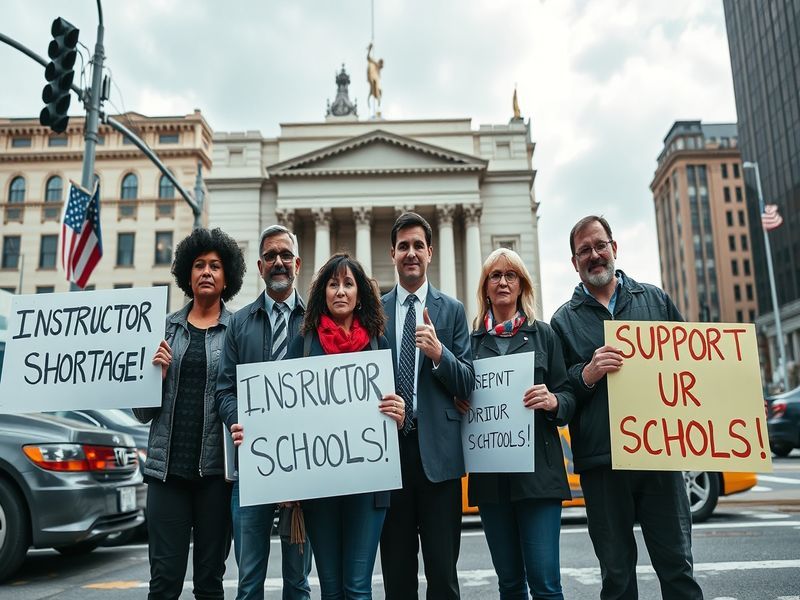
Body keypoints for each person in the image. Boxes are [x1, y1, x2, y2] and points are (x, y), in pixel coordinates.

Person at [550, 215, 704, 600]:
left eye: (600, 245)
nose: (594, 255)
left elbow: (692, 367)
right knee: (617, 578)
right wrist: (587, 374)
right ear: (574, 262)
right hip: (602, 466)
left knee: (678, 569)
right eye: (584, 250)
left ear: (614, 248)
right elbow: (562, 396)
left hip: (660, 459)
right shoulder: (562, 321)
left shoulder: (655, 300)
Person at [277, 253, 405, 599]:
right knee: (331, 589)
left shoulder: (378, 342)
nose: (341, 291)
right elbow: (285, 415)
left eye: (348, 284)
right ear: (323, 292)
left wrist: (398, 411)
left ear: (360, 294)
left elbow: (395, 406)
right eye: (333, 284)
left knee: (358, 588)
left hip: (370, 486)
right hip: (320, 487)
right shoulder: (304, 344)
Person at [134, 227, 246, 600]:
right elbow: (141, 412)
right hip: (167, 475)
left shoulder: (237, 331)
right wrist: (156, 377)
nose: (206, 272)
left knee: (210, 583)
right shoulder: (163, 329)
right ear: (187, 273)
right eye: (199, 265)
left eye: (215, 265)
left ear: (227, 277)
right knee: (164, 582)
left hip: (216, 476)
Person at [467, 248, 576, 600]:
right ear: (485, 287)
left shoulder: (544, 335)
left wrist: (553, 401)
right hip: (492, 481)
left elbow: (568, 397)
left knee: (546, 585)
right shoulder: (469, 343)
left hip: (538, 478)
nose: (503, 282)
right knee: (510, 584)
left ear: (521, 285)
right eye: (495, 276)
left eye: (510, 275)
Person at [379, 211, 475, 600]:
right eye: (403, 246)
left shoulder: (451, 310)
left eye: (418, 245)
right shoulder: (375, 312)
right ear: (393, 253)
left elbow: (467, 382)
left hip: (439, 460)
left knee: (443, 577)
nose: (411, 253)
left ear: (430, 252)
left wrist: (439, 354)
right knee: (397, 576)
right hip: (389, 459)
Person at [215, 224, 312, 600]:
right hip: (252, 468)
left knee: (298, 583)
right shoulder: (239, 324)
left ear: (297, 264)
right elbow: (225, 389)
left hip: (304, 468)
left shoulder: (315, 321)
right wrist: (236, 420)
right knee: (249, 582)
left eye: (286, 255)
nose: (278, 262)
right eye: (270, 256)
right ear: (260, 266)